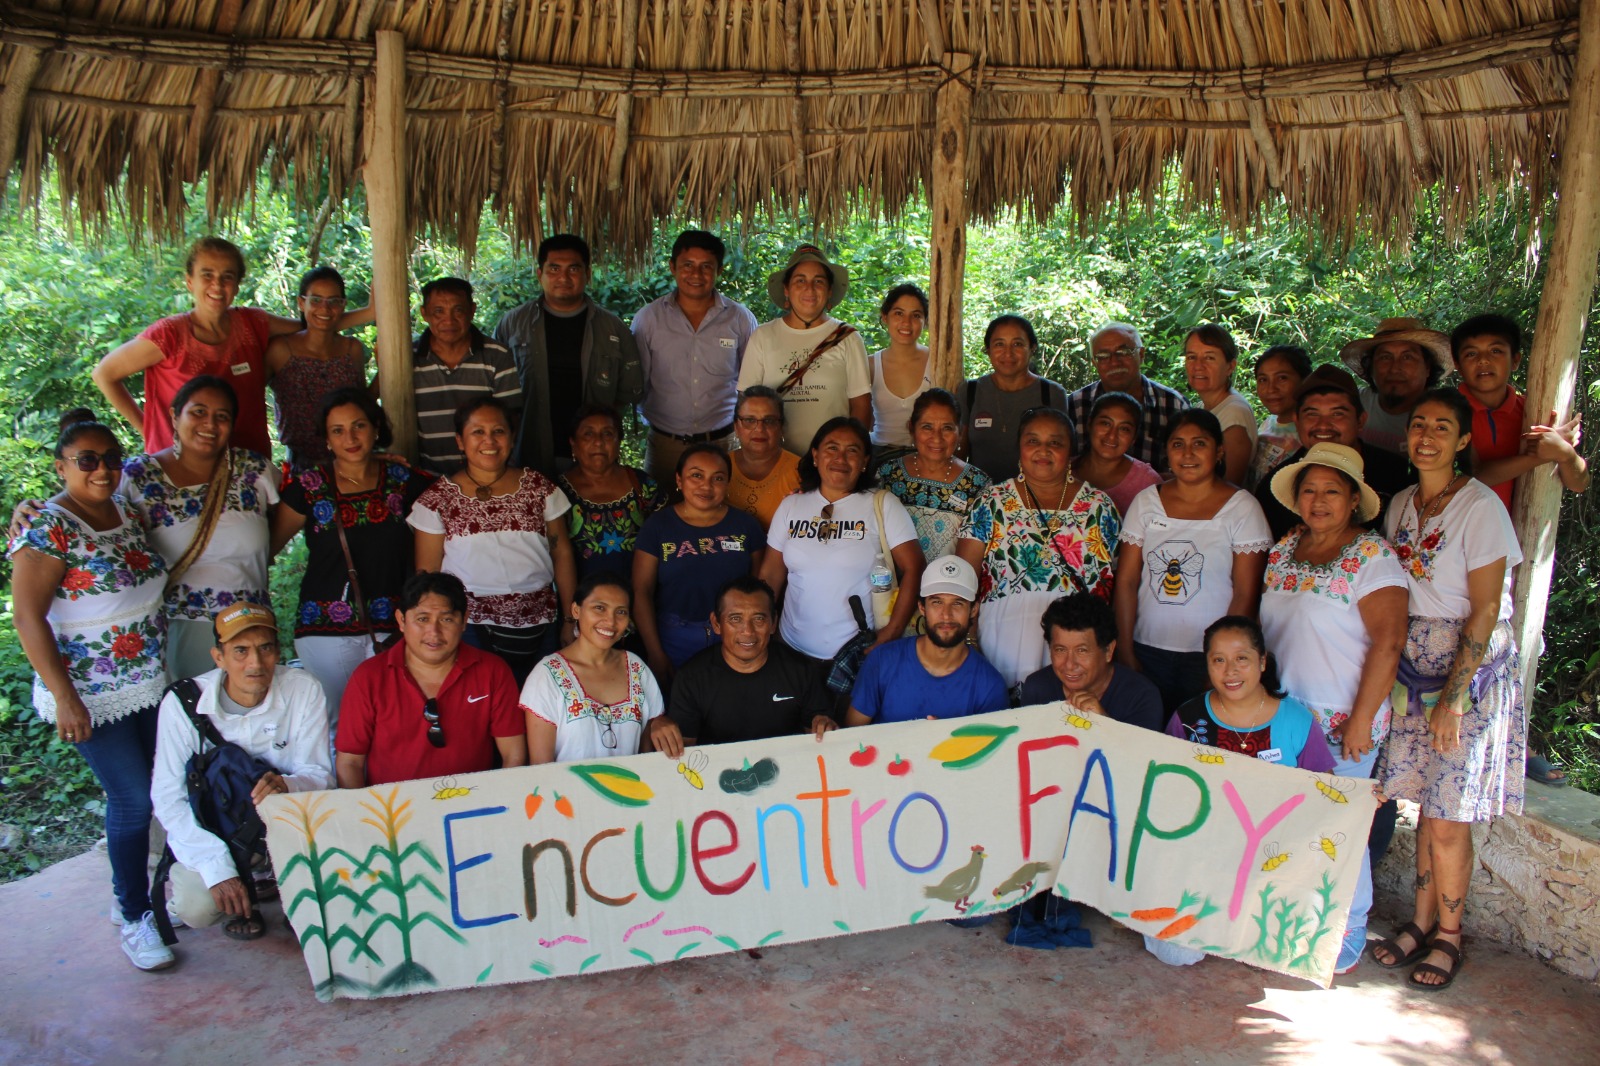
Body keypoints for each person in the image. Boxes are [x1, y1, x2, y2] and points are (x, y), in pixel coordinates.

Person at [1370, 388, 1527, 991]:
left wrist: (1456, 698)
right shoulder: (1401, 504)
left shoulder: (1480, 506)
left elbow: (1484, 608)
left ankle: (1450, 938)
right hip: (1415, 669)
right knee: (1426, 805)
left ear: (1462, 440)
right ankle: (1420, 922)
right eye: (1418, 424)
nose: (1427, 436)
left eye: (1442, 427)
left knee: (1448, 815)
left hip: (1467, 670)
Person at [8, 411, 171, 971]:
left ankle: (145, 892)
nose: (101, 469)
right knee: (132, 799)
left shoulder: (125, 512)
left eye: (110, 458)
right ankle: (133, 914)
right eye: (87, 460)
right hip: (92, 693)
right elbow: (27, 618)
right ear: (61, 467)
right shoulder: (46, 527)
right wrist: (65, 698)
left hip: (147, 679)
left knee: (159, 789)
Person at [1260, 442, 1408, 974]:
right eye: (1309, 490)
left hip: (1343, 721)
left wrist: (1362, 720)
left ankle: (1348, 929)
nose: (1318, 500)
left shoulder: (1372, 558)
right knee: (1291, 826)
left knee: (1339, 829)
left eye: (1331, 491)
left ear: (1353, 500)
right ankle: (1295, 923)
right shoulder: (1283, 550)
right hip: (1286, 717)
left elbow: (1389, 643)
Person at [1152, 616, 1337, 967]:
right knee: (1177, 954)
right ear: (1207, 665)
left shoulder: (1296, 721)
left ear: (1262, 662)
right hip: (1203, 857)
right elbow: (1166, 790)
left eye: (1242, 658)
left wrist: (1359, 801)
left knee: (1279, 947)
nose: (1230, 671)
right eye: (1218, 660)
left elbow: (1325, 791)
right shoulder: (1189, 718)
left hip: (1273, 859)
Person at [91, 236, 369, 458]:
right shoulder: (169, 335)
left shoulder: (251, 323)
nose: (217, 284)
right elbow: (104, 374)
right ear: (190, 281)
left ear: (236, 285)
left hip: (247, 467)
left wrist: (369, 313)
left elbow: (314, 323)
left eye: (227, 276)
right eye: (207, 275)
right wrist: (148, 430)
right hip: (181, 467)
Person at [152, 604, 332, 939]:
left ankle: (280, 882)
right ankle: (242, 886)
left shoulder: (303, 689)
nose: (255, 663)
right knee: (198, 905)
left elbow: (320, 774)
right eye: (240, 651)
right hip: (218, 829)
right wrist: (217, 868)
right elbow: (168, 798)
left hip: (285, 823)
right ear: (218, 657)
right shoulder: (183, 704)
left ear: (278, 652)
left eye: (265, 648)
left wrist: (288, 785)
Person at [272, 388, 436, 727]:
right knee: (340, 725)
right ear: (326, 439)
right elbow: (265, 546)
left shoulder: (404, 481)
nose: (350, 438)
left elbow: (454, 503)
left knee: (397, 722)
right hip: (325, 628)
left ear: (376, 428)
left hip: (394, 627)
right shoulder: (308, 487)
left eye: (359, 425)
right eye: (338, 430)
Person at [119, 375, 283, 681]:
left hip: (251, 627)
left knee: (254, 708)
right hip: (177, 625)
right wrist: (33, 510)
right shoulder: (138, 476)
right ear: (174, 415)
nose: (210, 424)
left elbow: (294, 509)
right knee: (187, 708)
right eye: (198, 412)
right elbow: (89, 512)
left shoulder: (254, 470)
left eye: (222, 416)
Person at [409, 397, 577, 683]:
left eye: (499, 431)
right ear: (460, 441)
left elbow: (561, 554)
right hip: (471, 630)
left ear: (511, 438)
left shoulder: (539, 488)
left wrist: (571, 620)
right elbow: (428, 577)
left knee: (540, 704)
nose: (489, 440)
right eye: (478, 432)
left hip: (542, 623)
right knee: (485, 704)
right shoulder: (437, 500)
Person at [1115, 409, 1272, 711]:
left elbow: (1246, 592)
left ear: (1219, 451)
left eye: (1199, 443)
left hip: (1210, 657)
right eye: (1178, 444)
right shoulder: (1146, 501)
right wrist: (1125, 648)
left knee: (1196, 734)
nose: (1188, 453)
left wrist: (1224, 659)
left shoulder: (1243, 508)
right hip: (1146, 649)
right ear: (1167, 452)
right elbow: (1127, 580)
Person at [957, 407, 1120, 689]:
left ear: (1070, 450)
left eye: (1055, 442)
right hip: (1000, 646)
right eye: (1033, 440)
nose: (1043, 450)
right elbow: (964, 580)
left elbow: (1116, 588)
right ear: (1019, 447)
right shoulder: (991, 502)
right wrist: (969, 641)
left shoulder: (1099, 507)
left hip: (1078, 653)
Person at [758, 418, 925, 676]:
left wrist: (891, 633)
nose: (840, 458)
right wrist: (763, 628)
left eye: (852, 450)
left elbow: (915, 567)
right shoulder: (792, 506)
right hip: (792, 650)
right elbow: (770, 574)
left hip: (857, 654)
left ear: (865, 461)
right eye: (832, 448)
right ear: (815, 456)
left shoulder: (882, 504)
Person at [337, 572, 527, 787]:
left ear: (464, 621)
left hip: (473, 802)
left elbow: (514, 755)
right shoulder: (368, 677)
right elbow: (349, 762)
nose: (434, 632)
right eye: (422, 619)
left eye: (446, 619)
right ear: (401, 620)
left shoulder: (492, 671)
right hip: (392, 805)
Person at [495, 233, 644, 474]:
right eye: (554, 269)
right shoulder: (512, 324)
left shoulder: (612, 328)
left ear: (587, 274)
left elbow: (627, 392)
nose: (563, 278)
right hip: (527, 453)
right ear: (539, 274)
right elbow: (495, 390)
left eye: (573, 269)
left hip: (592, 460)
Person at [646, 576, 835, 755]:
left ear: (773, 623)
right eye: (735, 619)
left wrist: (825, 730)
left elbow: (818, 739)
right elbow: (684, 754)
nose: (748, 631)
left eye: (759, 619)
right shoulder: (691, 679)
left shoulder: (800, 671)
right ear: (716, 623)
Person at [633, 230, 758, 483]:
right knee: (660, 506)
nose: (696, 274)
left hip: (723, 444)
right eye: (687, 265)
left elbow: (752, 386)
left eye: (706, 267)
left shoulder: (740, 319)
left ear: (719, 270)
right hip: (665, 447)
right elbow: (637, 383)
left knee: (726, 507)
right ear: (673, 267)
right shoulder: (649, 319)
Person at [633, 444, 766, 679]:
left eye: (718, 478)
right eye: (696, 475)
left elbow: (760, 588)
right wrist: (655, 651)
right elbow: (641, 591)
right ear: (679, 479)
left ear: (727, 483)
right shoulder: (658, 526)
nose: (706, 486)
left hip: (735, 636)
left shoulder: (746, 526)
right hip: (675, 638)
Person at [737, 245, 871, 454]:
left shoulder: (848, 338)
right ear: (786, 289)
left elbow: (861, 406)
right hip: (776, 460)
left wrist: (847, 455)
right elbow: (746, 405)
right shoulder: (763, 336)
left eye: (819, 281)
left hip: (831, 462)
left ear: (829, 291)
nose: (809, 289)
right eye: (800, 280)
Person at [1254, 365, 1414, 540]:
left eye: (1337, 414)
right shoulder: (1274, 487)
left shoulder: (1395, 472)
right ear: (1297, 421)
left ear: (1360, 421)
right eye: (1312, 414)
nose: (1323, 425)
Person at [846, 556, 1008, 726]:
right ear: (922, 607)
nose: (946, 615)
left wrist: (946, 738)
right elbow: (852, 733)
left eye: (957, 603)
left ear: (973, 610)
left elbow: (993, 742)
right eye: (937, 602)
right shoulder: (882, 661)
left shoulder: (989, 685)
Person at [522, 572, 665, 762]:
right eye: (599, 608)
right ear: (576, 610)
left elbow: (647, 755)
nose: (611, 621)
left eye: (621, 612)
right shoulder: (546, 675)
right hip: (566, 783)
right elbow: (540, 767)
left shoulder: (636, 668)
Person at [1451, 313, 1587, 511]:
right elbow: (1475, 476)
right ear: (1457, 365)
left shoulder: (1534, 411)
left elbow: (1579, 484)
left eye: (1496, 351)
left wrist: (1565, 453)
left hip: (1524, 530)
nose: (1483, 360)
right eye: (1471, 354)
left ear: (1515, 360)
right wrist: (1540, 455)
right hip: (1464, 526)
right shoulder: (1447, 412)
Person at [408, 276, 522, 475]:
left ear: (472, 310)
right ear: (424, 314)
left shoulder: (497, 356)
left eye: (458, 310)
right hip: (427, 476)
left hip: (487, 476)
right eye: (439, 311)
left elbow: (512, 419)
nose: (449, 320)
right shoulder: (408, 357)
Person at [265, 266, 370, 470]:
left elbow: (362, 404)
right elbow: (250, 396)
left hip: (351, 458)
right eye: (316, 300)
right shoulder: (281, 350)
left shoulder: (352, 349)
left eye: (334, 301)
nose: (325, 308)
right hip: (301, 465)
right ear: (301, 303)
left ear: (343, 305)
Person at [1016, 594, 1164, 731]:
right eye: (1060, 650)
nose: (1070, 664)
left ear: (1109, 651)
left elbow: (1143, 751)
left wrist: (1104, 722)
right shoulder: (1037, 688)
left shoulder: (1141, 696)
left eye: (1082, 651)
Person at [556, 404, 668, 584]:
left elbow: (665, 545)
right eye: (588, 434)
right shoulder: (556, 492)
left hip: (638, 595)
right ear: (573, 443)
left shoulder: (643, 485)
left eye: (607, 434)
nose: (598, 442)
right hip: (582, 599)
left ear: (619, 441)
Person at [876, 388, 991, 560]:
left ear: (960, 433)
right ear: (911, 429)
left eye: (947, 428)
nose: (937, 438)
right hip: (894, 577)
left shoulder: (978, 484)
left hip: (954, 576)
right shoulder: (888, 475)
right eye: (927, 427)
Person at [1064, 323, 1189, 474]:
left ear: (1141, 354)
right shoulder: (1076, 404)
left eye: (1123, 352)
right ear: (1094, 363)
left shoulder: (1173, 404)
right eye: (1103, 357)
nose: (1114, 362)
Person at [962, 315, 1069, 481]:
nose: (1008, 353)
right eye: (999, 344)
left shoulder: (1051, 393)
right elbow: (959, 452)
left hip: (1034, 492)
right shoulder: (970, 391)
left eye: (1017, 344)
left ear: (1032, 348)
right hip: (979, 492)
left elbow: (1061, 452)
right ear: (988, 350)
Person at [1339, 317, 1452, 456]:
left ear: (1427, 367)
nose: (1395, 368)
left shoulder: (1446, 416)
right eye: (1385, 357)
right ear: (1371, 367)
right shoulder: (1352, 404)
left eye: (1407, 357)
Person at [868, 284, 935, 466]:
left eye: (916, 315)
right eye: (899, 313)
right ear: (885, 317)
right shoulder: (870, 365)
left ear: (925, 321)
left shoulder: (937, 363)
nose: (906, 322)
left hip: (926, 456)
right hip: (879, 455)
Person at [1182, 324, 1256, 486]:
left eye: (1209, 358)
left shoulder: (1234, 413)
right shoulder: (1201, 407)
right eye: (1192, 357)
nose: (1198, 366)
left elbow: (1229, 485)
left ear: (1230, 366)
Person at [1070, 391, 1161, 517]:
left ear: (1134, 437)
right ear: (1089, 424)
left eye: (1124, 429)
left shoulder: (1148, 483)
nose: (1112, 436)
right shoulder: (1063, 470)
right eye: (1105, 423)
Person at [727, 385, 802, 528]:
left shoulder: (801, 471)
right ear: (736, 427)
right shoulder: (720, 467)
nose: (759, 429)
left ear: (781, 427)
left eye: (769, 421)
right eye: (749, 420)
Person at [1249, 344, 1311, 490]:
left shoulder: (1310, 433)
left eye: (1282, 378)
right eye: (1263, 380)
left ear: (1305, 381)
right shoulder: (1268, 423)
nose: (1271, 389)